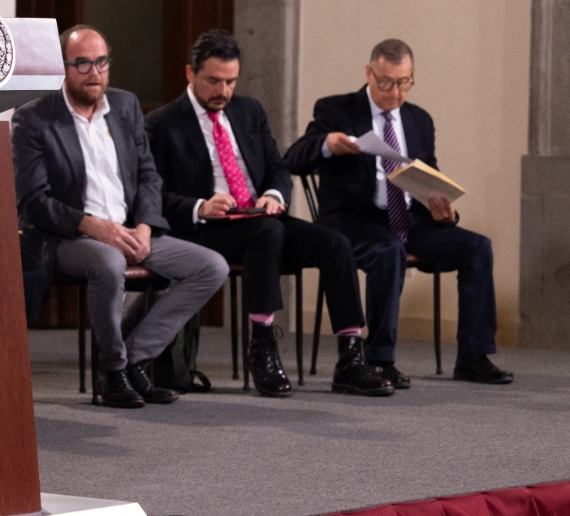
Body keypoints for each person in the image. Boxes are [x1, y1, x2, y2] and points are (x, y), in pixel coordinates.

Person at [145, 30, 392, 397]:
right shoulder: (162, 123)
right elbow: (153, 194)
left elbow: (278, 168)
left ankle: (350, 357)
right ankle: (262, 346)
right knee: (268, 233)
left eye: (231, 81)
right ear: (189, 74)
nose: (223, 91)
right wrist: (200, 205)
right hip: (206, 229)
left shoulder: (249, 111)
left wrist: (275, 194)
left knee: (335, 244)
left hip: (260, 220)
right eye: (213, 81)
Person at [12, 25, 228, 409]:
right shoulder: (35, 118)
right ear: (63, 67)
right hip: (67, 237)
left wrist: (145, 226)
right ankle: (112, 373)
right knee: (109, 263)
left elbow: (148, 174)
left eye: (101, 62)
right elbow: (33, 201)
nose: (93, 72)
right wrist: (94, 226)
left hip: (130, 230)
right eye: (82, 63)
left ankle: (137, 357)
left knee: (211, 266)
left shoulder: (126, 106)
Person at [284, 39, 512, 386]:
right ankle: (378, 360)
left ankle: (473, 356)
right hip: (354, 220)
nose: (395, 93)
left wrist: (443, 212)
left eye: (403, 83)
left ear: (412, 76)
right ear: (369, 73)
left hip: (410, 219)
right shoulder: (336, 110)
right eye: (386, 82)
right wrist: (327, 146)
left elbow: (429, 179)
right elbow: (293, 159)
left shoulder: (419, 120)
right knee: (388, 249)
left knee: (477, 247)